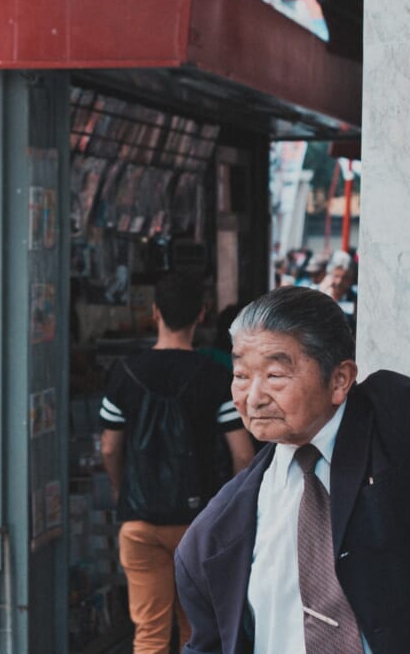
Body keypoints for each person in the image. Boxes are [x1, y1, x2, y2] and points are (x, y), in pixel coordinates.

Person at [175, 210, 410, 653]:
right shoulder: (215, 536)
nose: (253, 397)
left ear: (340, 380)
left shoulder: (397, 426)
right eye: (240, 376)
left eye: (275, 376)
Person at [99, 274, 256, 653]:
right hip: (200, 523)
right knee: (198, 632)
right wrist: (230, 512)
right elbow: (243, 454)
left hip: (141, 522)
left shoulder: (124, 373)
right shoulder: (217, 377)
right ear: (201, 316)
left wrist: (124, 492)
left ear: (155, 313)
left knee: (149, 632)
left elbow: (108, 449)